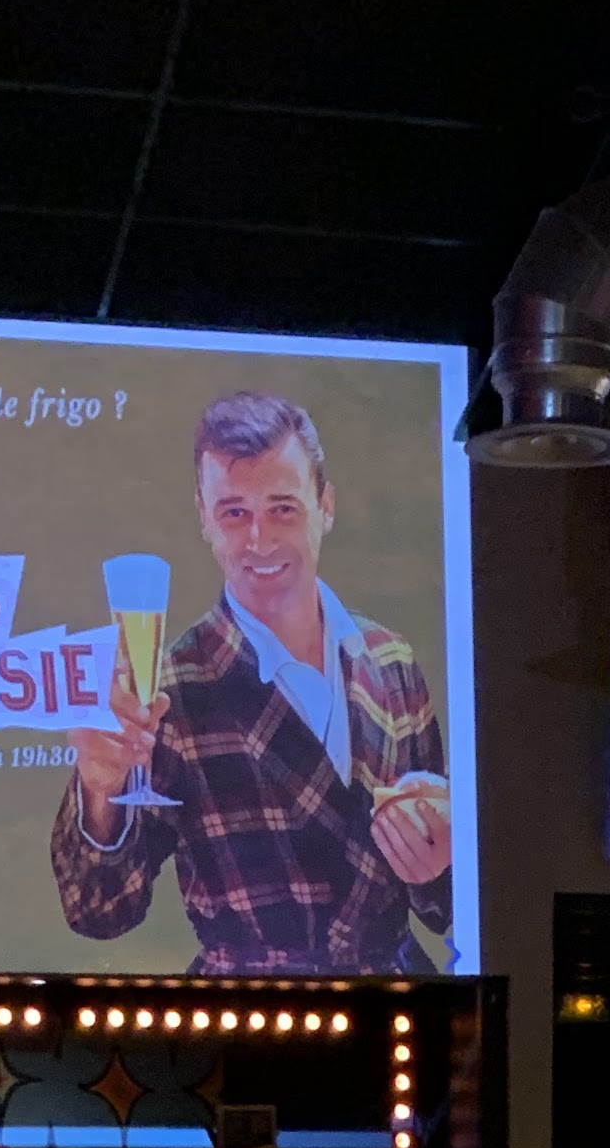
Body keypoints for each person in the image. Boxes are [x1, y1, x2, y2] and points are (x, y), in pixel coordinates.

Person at [53, 391, 451, 973]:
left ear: (326, 506)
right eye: (234, 513)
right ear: (204, 519)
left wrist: (441, 859)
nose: (259, 541)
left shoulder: (391, 660)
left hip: (393, 1008)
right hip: (245, 1011)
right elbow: (98, 911)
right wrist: (98, 789)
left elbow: (450, 901)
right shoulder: (168, 692)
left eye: (283, 509)